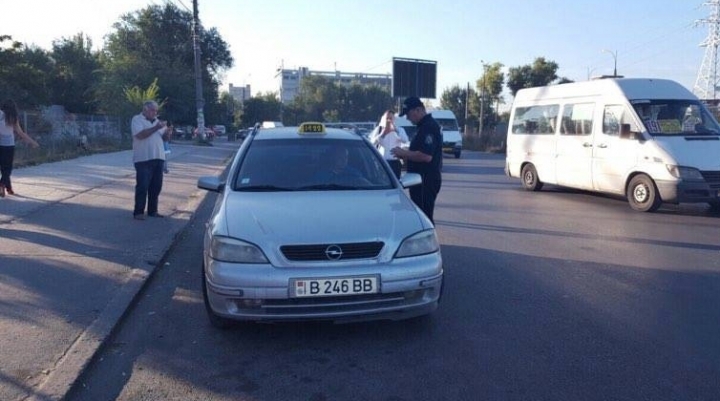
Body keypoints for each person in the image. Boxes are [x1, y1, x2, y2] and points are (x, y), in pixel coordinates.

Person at [391, 96, 442, 224]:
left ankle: (428, 243)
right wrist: (406, 153)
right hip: (420, 180)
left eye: (408, 114)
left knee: (424, 218)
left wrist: (404, 153)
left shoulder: (428, 127)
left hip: (425, 180)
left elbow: (426, 156)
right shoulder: (423, 126)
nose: (408, 118)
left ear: (418, 110)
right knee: (420, 217)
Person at [131, 100, 172, 220]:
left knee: (156, 186)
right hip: (143, 158)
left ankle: (153, 210)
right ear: (145, 110)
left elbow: (164, 139)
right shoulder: (137, 119)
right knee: (142, 186)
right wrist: (156, 127)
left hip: (158, 157)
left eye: (156, 110)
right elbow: (140, 135)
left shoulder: (157, 122)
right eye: (153, 110)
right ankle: (138, 212)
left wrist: (168, 132)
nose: (155, 113)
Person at [0, 99, 40, 198]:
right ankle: (1, 184)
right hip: (9, 145)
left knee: (3, 168)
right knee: (7, 168)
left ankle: (8, 188)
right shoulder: (13, 118)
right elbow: (21, 133)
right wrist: (32, 142)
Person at [369, 109, 409, 179]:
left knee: (395, 181)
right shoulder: (378, 130)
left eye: (391, 118)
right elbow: (372, 143)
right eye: (387, 118)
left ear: (394, 119)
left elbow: (405, 140)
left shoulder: (400, 130)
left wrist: (395, 130)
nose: (389, 120)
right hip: (382, 162)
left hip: (395, 162)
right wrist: (383, 133)